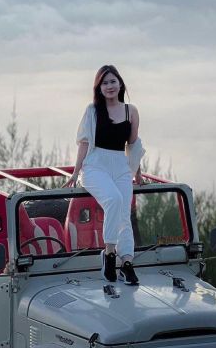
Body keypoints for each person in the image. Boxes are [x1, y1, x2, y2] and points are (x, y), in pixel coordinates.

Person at [63, 65, 145, 285]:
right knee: (114, 200)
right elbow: (84, 143)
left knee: (124, 216)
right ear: (99, 87)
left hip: (120, 166)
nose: (109, 86)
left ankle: (127, 263)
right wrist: (75, 172)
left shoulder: (131, 111)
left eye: (112, 81)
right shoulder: (92, 111)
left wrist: (137, 172)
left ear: (120, 84)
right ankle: (109, 254)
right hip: (94, 166)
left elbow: (133, 145)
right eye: (104, 83)